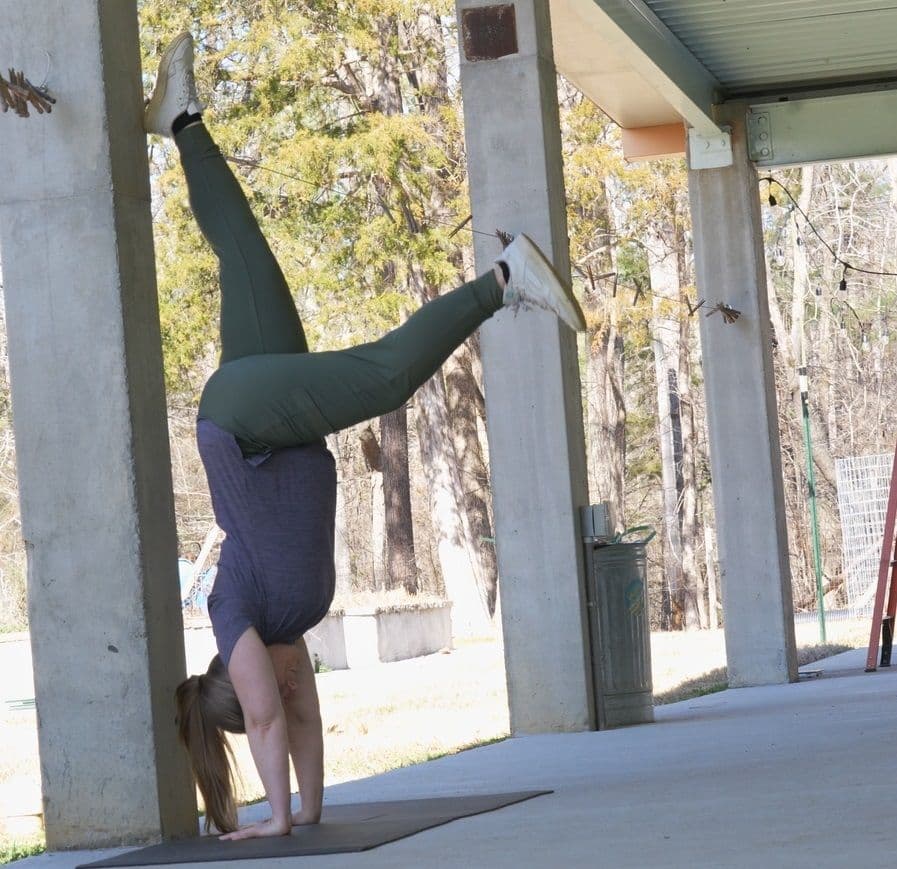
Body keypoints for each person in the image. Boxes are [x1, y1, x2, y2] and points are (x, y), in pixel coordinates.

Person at [144, 32, 586, 841]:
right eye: (286, 684)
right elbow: (301, 724)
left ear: (241, 676)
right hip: (269, 420)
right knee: (245, 254)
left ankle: (504, 281)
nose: (291, 687)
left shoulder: (233, 612)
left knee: (384, 379)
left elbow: (269, 721)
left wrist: (275, 821)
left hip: (242, 420)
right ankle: (181, 121)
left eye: (271, 686)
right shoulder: (296, 620)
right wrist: (308, 810)